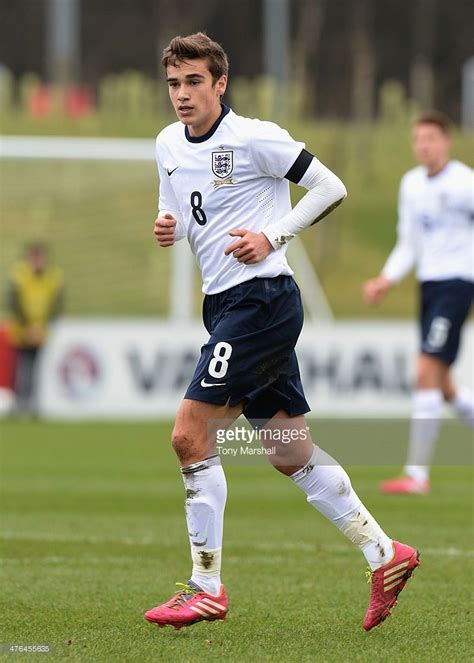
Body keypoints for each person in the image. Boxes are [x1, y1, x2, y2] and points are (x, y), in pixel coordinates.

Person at [145, 32, 419, 632]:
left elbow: (331, 187)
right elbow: (174, 208)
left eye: (194, 82)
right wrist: (166, 227)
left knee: (190, 435)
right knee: (288, 449)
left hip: (262, 299)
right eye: (174, 83)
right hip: (222, 304)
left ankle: (205, 587)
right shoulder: (168, 143)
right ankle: (385, 553)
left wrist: (273, 235)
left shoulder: (254, 137)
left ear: (220, 83)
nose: (182, 95)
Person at [363, 111, 474, 495]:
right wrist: (386, 279)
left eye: (431, 138)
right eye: (418, 139)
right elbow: (408, 242)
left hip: (458, 284)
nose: (424, 145)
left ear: (447, 141)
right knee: (443, 386)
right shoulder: (411, 185)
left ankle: (417, 475)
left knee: (425, 368)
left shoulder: (465, 183)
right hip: (428, 287)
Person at [7, 243, 64, 414]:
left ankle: (32, 405)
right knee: (22, 368)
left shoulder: (52, 277)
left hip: (41, 331)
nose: (38, 261)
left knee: (36, 368)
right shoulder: (20, 275)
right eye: (35, 258)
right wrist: (28, 327)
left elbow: (56, 305)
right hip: (22, 331)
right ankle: (20, 404)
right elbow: (14, 303)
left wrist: (42, 327)